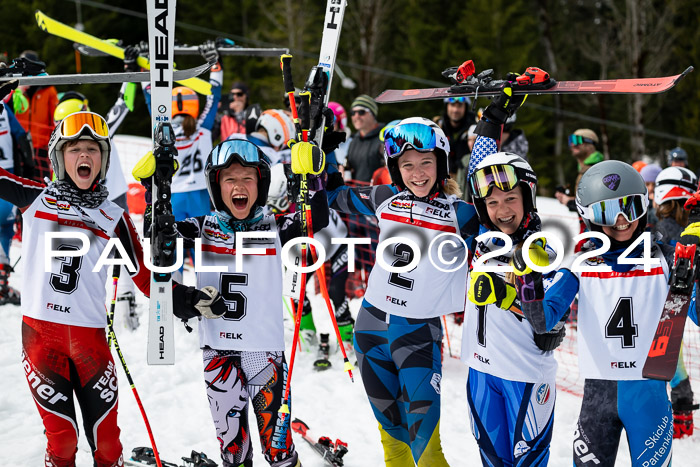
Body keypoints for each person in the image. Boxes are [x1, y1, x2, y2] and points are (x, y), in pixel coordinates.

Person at [0, 111, 225, 467]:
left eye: (93, 149)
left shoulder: (113, 217)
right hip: (42, 340)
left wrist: (188, 299)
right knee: (63, 443)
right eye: (75, 149)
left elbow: (145, 277)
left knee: (107, 445)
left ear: (104, 159)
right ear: (60, 157)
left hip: (90, 343)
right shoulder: (35, 199)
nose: (85, 156)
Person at [134, 138, 329, 467]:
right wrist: (154, 189)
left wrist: (313, 176)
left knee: (278, 451)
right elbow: (157, 233)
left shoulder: (275, 226)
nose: (239, 186)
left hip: (264, 355)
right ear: (216, 185)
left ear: (261, 184)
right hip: (218, 353)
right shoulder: (203, 226)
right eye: (230, 179)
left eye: (247, 178)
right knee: (234, 452)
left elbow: (316, 218)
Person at [326, 117, 481, 466]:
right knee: (393, 444)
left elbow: (499, 202)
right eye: (407, 165)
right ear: (394, 168)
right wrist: (325, 150)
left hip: (417, 335)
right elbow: (333, 195)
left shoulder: (462, 215)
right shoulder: (384, 197)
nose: (417, 173)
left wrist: (488, 128)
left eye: (426, 162)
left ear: (441, 163)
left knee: (426, 449)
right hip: (369, 329)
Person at [523, 160, 693, 466]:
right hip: (597, 399)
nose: (620, 220)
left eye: (630, 207)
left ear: (643, 208)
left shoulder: (666, 260)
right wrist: (528, 278)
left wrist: (694, 270)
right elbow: (542, 321)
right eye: (606, 211)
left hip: (649, 397)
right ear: (588, 217)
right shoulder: (582, 264)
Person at [266, 163, 354, 351]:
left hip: (337, 242)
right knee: (293, 288)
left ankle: (347, 334)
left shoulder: (309, 196)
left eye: (277, 201)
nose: (274, 207)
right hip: (305, 248)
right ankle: (307, 331)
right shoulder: (281, 202)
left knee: (336, 291)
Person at [142, 42, 221, 222]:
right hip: (199, 194)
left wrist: (144, 64)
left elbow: (150, 98)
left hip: (173, 193)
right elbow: (214, 97)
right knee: (201, 243)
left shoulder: (162, 129)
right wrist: (216, 64)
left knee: (172, 242)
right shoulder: (203, 128)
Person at [652, 166, 700, 438]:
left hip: (665, 307)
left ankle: (679, 416)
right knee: (673, 364)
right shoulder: (679, 228)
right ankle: (681, 416)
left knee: (670, 364)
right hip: (671, 307)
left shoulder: (660, 224)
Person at [0, 99, 32, 305]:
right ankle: (2, 284)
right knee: (4, 228)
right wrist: (29, 171)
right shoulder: (3, 109)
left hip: (6, 177)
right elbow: (22, 137)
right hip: (7, 179)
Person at [15, 50, 59, 183]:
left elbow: (55, 119)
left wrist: (55, 145)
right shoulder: (14, 89)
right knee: (20, 185)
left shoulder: (48, 89)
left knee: (42, 184)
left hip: (41, 146)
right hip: (19, 145)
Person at [554, 128, 604, 212]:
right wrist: (569, 198)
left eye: (576, 140)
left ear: (589, 145)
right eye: (570, 140)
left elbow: (592, 206)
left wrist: (569, 202)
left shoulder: (596, 170)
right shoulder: (584, 169)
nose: (572, 144)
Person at [343, 94, 384, 183]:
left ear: (373, 114)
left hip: (380, 193)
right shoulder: (354, 140)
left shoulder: (384, 137)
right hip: (356, 193)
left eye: (361, 112)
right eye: (353, 113)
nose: (356, 116)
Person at [435, 96, 475, 178]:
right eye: (452, 105)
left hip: (467, 175)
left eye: (459, 106)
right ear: (447, 106)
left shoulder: (474, 127)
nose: (455, 110)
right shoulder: (438, 126)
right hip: (444, 176)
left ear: (465, 107)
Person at [641, 163, 662, 230]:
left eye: (654, 184)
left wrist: (656, 208)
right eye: (647, 184)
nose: (650, 188)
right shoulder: (638, 200)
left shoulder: (663, 202)